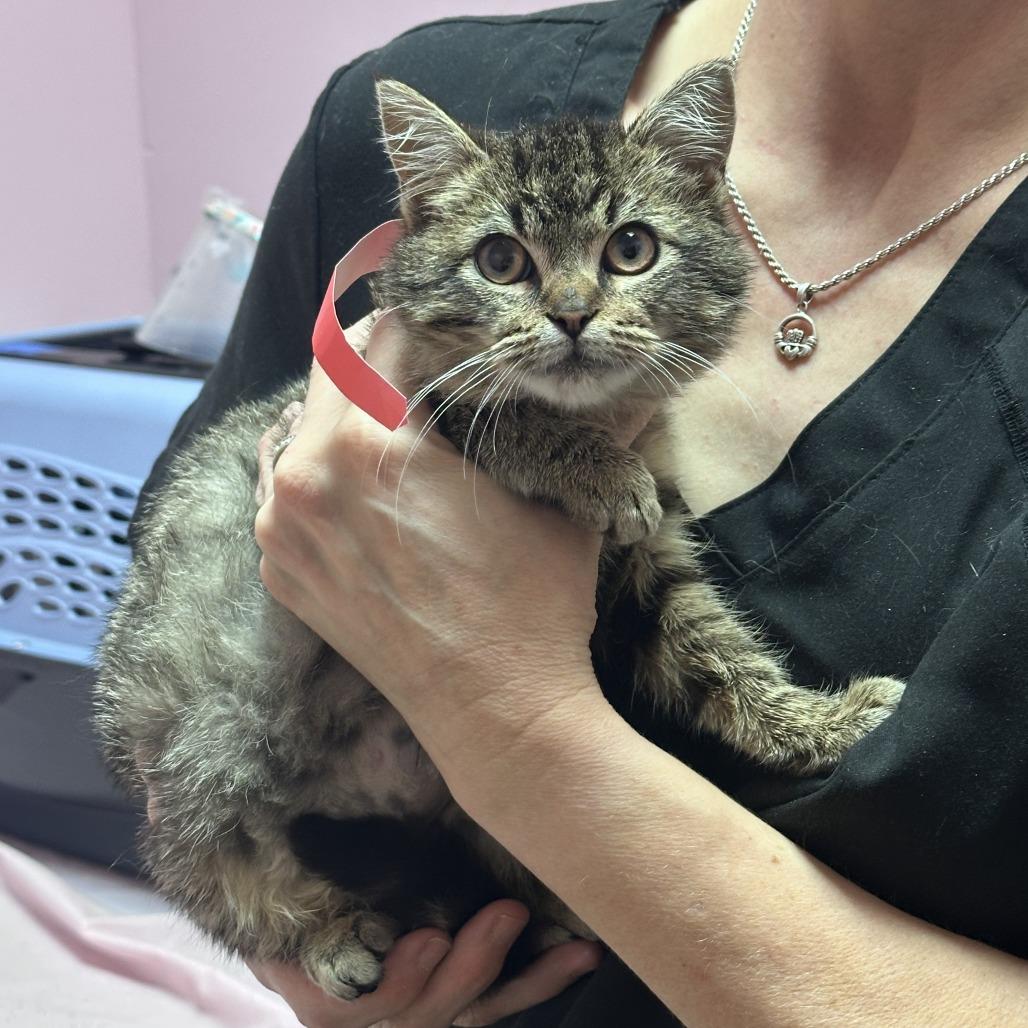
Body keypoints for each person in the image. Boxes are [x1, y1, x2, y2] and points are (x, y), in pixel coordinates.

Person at [137, 1, 1028, 1024]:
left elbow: (641, 571)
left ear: (701, 194)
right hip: (291, 802)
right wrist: (282, 941)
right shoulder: (391, 108)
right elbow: (166, 674)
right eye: (509, 262)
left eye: (624, 251)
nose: (567, 306)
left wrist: (514, 719)